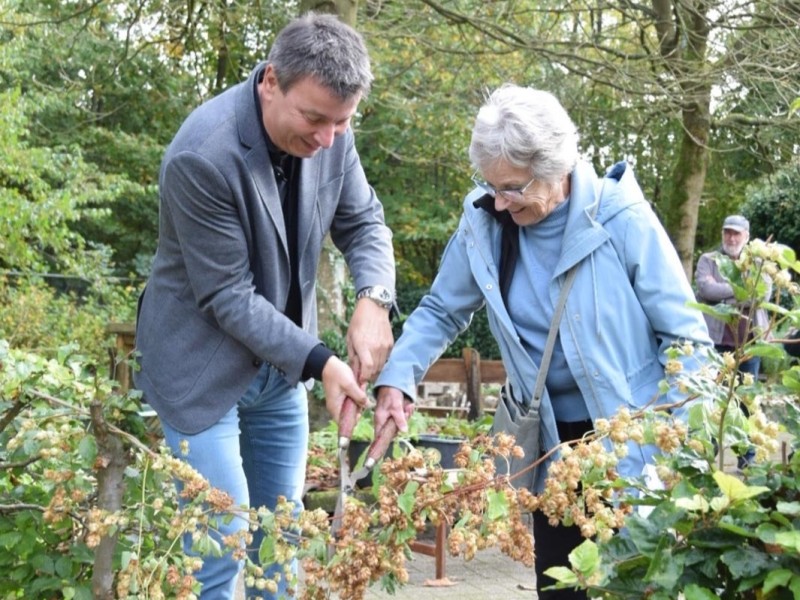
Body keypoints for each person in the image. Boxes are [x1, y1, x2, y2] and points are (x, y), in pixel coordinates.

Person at [373, 84, 711, 599]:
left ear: (558, 167)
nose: (501, 203)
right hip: (550, 450)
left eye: (512, 187)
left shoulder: (620, 216)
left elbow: (687, 339)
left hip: (633, 446)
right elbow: (442, 309)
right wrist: (398, 377)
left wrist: (674, 454)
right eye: (491, 186)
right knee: (561, 590)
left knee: (636, 587)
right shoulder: (485, 221)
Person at [133, 13, 396, 599]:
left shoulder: (333, 130)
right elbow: (229, 297)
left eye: (342, 122)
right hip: (199, 372)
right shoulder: (202, 155)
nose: (329, 138)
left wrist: (374, 300)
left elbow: (364, 222)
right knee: (221, 548)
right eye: (315, 119)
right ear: (271, 81)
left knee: (280, 547)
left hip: (279, 375)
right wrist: (326, 362)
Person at [695, 214, 770, 379]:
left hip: (749, 346)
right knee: (714, 396)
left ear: (747, 236)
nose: (732, 238)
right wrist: (743, 291)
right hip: (715, 344)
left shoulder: (758, 262)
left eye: (737, 234)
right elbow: (707, 290)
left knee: (746, 400)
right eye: (728, 233)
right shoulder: (708, 260)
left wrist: (722, 298)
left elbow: (762, 295)